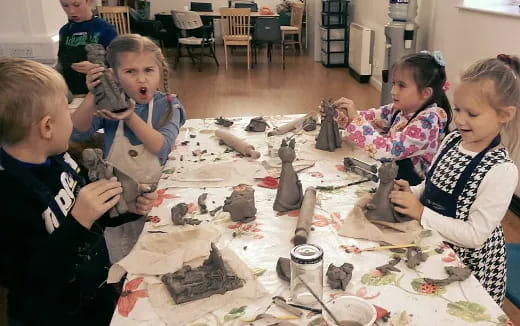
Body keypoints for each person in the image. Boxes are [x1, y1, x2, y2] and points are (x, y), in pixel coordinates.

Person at [0, 58, 157, 325]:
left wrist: (124, 208)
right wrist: (79, 221)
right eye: (66, 108)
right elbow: (33, 282)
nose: (71, 116)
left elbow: (91, 218)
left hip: (94, 294)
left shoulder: (61, 159)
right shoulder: (8, 198)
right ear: (47, 127)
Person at [389, 55, 520, 306]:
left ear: (505, 115)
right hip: (435, 244)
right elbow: (431, 185)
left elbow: (474, 235)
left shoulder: (502, 170)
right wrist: (413, 192)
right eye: (458, 109)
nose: (459, 119)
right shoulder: (451, 141)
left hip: (468, 267)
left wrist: (421, 212)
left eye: (472, 113)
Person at [71, 34, 185, 262]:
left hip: (156, 198)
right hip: (119, 206)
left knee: (162, 255)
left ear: (160, 71)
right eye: (130, 72)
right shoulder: (108, 104)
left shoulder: (169, 104)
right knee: (125, 260)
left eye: (148, 70)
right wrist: (95, 94)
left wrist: (130, 116)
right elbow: (77, 132)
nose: (141, 79)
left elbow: (160, 147)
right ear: (114, 75)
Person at [334, 51, 452, 185]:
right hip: (394, 172)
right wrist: (341, 115)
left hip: (410, 188)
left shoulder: (428, 122)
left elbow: (386, 150)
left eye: (401, 86)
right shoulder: (400, 108)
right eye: (394, 83)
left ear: (425, 93)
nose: (393, 91)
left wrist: (355, 119)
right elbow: (370, 118)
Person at [57, 0, 117, 95]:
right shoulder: (64, 31)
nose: (71, 11)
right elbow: (61, 60)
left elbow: (118, 64)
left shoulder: (105, 29)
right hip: (72, 91)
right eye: (65, 6)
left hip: (100, 90)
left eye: (77, 5)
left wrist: (97, 67)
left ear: (89, 1)